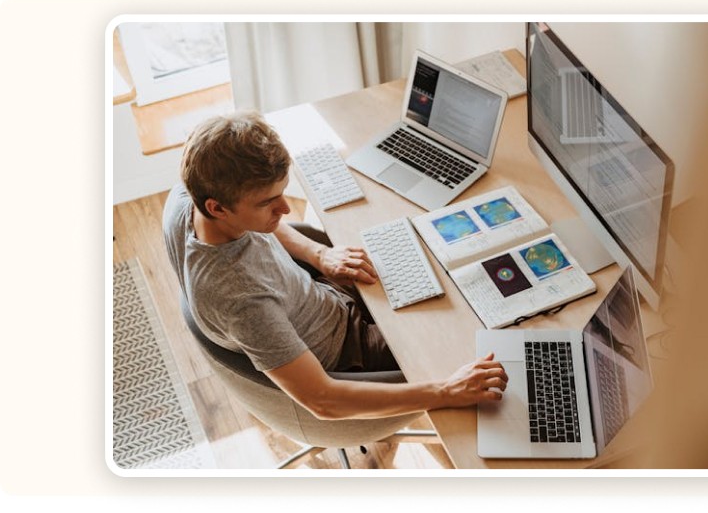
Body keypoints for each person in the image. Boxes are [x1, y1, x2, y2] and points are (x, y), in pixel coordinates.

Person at [163, 110, 507, 420]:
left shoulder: (189, 198)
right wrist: (445, 392)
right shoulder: (241, 301)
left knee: (437, 268)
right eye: (268, 202)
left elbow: (264, 221)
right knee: (473, 342)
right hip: (348, 354)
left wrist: (319, 255)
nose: (285, 209)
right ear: (217, 208)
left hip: (323, 298)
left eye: (282, 193)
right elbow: (323, 400)